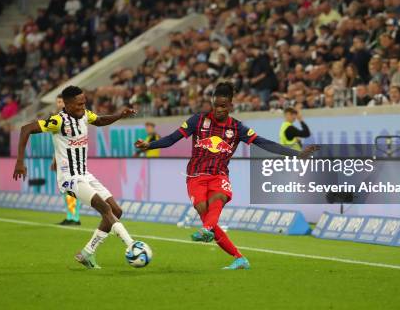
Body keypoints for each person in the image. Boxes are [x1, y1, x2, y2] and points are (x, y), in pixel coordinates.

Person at [135, 82, 318, 270]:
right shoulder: (197, 120)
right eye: (216, 105)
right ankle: (239, 257)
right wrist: (149, 145)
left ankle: (206, 230)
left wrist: (297, 154)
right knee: (207, 216)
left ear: (230, 106)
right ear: (212, 103)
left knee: (218, 200)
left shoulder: (237, 128)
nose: (219, 110)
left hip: (219, 175)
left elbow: (264, 143)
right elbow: (171, 139)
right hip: (196, 176)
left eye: (223, 106)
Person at [13, 86, 139, 269]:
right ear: (68, 104)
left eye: (84, 103)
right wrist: (19, 161)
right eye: (79, 104)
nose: (82, 107)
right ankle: (132, 245)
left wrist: (120, 115)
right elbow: (26, 129)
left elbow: (101, 120)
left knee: (116, 210)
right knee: (104, 208)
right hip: (69, 178)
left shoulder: (85, 115)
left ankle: (87, 253)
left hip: (85, 174)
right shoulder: (58, 121)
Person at [51, 94, 81, 226]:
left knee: (71, 188)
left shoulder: (69, 120)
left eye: (60, 102)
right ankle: (70, 216)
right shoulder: (57, 119)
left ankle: (74, 217)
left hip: (70, 158)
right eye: (57, 102)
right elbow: (58, 143)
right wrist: (55, 159)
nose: (58, 104)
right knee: (67, 188)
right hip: (62, 157)